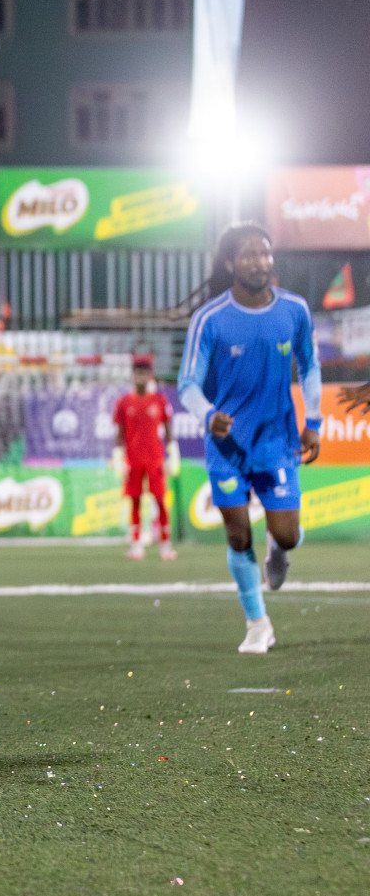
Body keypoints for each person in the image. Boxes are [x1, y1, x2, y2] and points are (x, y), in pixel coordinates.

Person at [178, 223, 321, 655]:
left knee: (290, 534)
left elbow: (309, 366)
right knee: (238, 535)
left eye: (265, 253)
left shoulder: (294, 310)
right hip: (226, 447)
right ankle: (258, 623)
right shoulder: (210, 319)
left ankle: (280, 551)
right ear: (229, 263)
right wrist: (209, 416)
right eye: (249, 254)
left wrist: (314, 420)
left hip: (277, 442)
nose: (260, 261)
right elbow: (187, 384)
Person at [111, 355, 176, 561]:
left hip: (155, 459)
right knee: (135, 501)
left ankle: (165, 544)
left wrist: (173, 453)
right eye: (137, 373)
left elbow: (168, 430)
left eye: (144, 373)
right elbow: (119, 434)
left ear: (150, 376)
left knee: (159, 500)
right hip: (133, 460)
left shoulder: (159, 401)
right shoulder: (124, 403)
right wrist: (118, 456)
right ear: (132, 376)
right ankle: (136, 544)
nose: (140, 377)